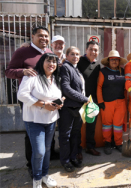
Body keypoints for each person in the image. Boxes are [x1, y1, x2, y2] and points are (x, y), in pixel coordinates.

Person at [5, 26, 59, 179]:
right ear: (32, 36)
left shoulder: (49, 53)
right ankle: (32, 164)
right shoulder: (23, 52)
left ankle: (46, 158)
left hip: (48, 98)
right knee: (32, 133)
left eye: (46, 36)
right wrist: (22, 71)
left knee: (49, 128)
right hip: (30, 99)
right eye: (40, 36)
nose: (44, 39)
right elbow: (8, 71)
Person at [17, 53, 62, 188]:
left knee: (48, 150)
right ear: (42, 62)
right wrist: (43, 104)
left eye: (54, 62)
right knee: (39, 151)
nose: (51, 64)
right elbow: (21, 95)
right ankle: (37, 179)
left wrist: (59, 104)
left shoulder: (55, 78)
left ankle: (45, 175)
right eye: (48, 61)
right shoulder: (32, 76)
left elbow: (56, 96)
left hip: (51, 119)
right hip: (34, 120)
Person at [59, 46, 90, 172]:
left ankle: (72, 157)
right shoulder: (66, 67)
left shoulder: (76, 69)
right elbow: (66, 88)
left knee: (74, 134)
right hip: (68, 108)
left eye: (77, 54)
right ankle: (65, 161)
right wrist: (84, 99)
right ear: (66, 56)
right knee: (65, 135)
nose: (75, 56)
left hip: (77, 108)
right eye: (72, 54)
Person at [97, 50, 127, 155]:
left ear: (119, 61)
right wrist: (100, 101)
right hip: (107, 103)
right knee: (107, 125)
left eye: (116, 60)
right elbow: (99, 86)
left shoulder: (122, 72)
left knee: (118, 125)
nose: (114, 61)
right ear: (109, 61)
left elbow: (126, 87)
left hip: (121, 102)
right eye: (112, 59)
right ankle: (107, 144)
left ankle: (118, 143)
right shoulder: (103, 72)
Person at [77, 41, 101, 157]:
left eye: (95, 50)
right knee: (77, 125)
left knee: (91, 124)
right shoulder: (79, 62)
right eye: (91, 49)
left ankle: (90, 147)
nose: (93, 52)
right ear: (86, 50)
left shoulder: (98, 65)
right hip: (79, 99)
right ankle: (76, 150)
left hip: (92, 100)